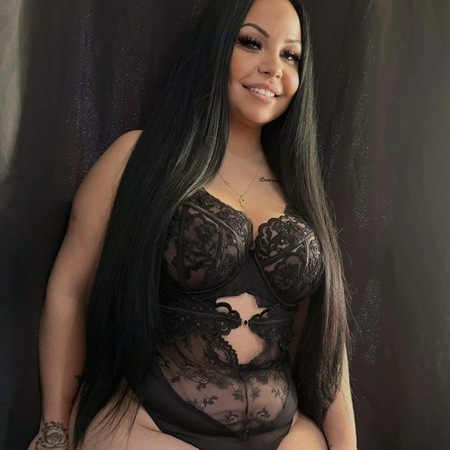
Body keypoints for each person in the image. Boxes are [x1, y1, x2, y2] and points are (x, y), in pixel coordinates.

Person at [28, 0, 357, 449]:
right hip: (150, 426)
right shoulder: (138, 159)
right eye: (252, 42)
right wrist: (54, 429)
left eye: (290, 55)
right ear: (216, 46)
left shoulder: (302, 192)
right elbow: (70, 290)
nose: (273, 68)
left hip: (285, 433)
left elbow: (326, 342)